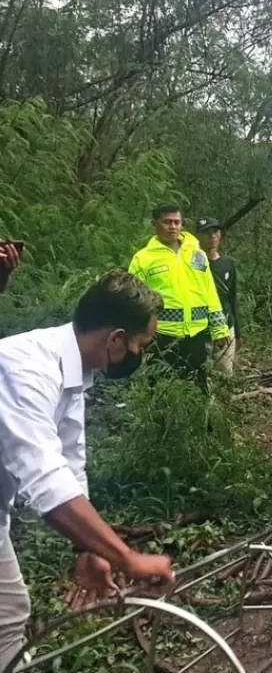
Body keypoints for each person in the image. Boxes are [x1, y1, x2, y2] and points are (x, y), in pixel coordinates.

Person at [0, 271, 176, 670]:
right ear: (115, 339)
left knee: (8, 614)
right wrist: (128, 558)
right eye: (139, 344)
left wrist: (89, 549)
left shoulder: (73, 370)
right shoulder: (24, 369)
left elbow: (69, 459)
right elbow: (45, 481)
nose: (139, 355)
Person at [129, 206, 230, 384]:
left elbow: (209, 291)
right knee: (160, 387)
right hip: (160, 336)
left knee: (197, 388)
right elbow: (133, 298)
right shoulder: (143, 259)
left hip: (196, 334)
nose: (173, 227)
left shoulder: (197, 255)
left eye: (177, 222)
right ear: (154, 224)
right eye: (167, 222)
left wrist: (219, 329)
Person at [196, 218, 241, 374]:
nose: (212, 236)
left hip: (226, 324)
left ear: (220, 234)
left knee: (225, 374)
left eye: (215, 232)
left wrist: (238, 333)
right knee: (202, 373)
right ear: (198, 236)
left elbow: (232, 298)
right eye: (206, 233)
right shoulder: (193, 264)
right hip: (201, 328)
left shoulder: (228, 263)